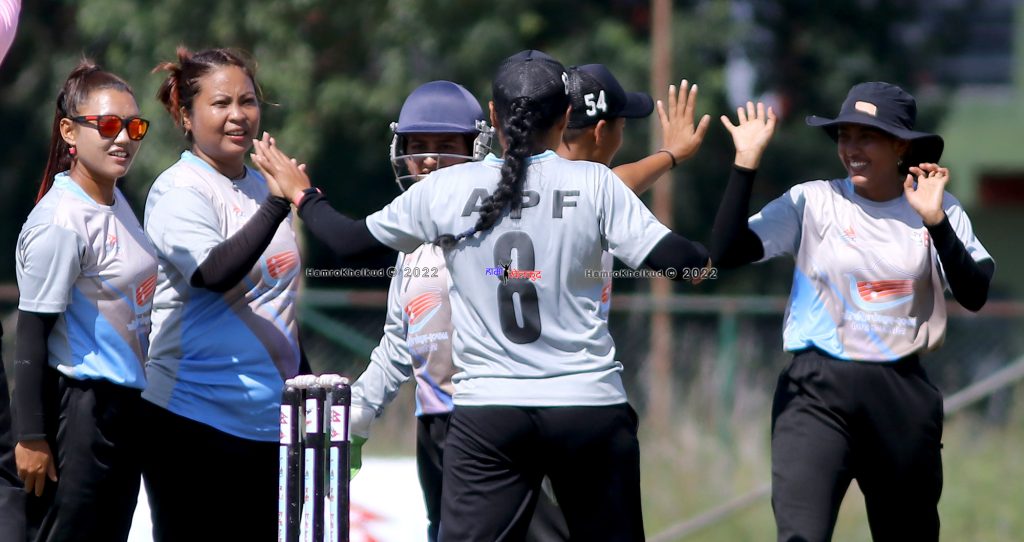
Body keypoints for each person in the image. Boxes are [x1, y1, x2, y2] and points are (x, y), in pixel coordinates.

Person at [252, 49, 711, 541]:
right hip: (587, 406)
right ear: (564, 117)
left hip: (489, 413)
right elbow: (684, 264)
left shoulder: (445, 188)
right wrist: (710, 255)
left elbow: (346, 242)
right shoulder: (597, 183)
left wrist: (303, 195)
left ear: (494, 116)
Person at [712, 83, 995, 542]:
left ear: (901, 145)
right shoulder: (813, 201)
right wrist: (745, 163)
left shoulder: (938, 207)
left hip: (901, 394)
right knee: (800, 536)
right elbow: (725, 251)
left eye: (868, 137)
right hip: (816, 391)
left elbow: (975, 293)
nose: (851, 149)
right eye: (845, 136)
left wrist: (936, 222)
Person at [141, 46, 303, 541]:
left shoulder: (261, 187)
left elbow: (278, 306)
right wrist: (278, 203)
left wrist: (305, 387)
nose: (238, 115)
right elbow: (213, 272)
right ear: (186, 117)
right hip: (192, 420)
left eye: (248, 101)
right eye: (221, 103)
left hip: (272, 427)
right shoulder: (179, 190)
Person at [14, 60, 157, 541]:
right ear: (69, 132)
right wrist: (31, 437)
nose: (124, 139)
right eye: (109, 125)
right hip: (78, 412)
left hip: (123, 409)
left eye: (135, 127)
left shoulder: (116, 200)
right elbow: (31, 334)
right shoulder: (62, 221)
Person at [558, 63, 710, 316]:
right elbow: (685, 264)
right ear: (600, 132)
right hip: (573, 341)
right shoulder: (598, 192)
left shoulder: (510, 180)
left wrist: (671, 154)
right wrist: (703, 258)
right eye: (622, 126)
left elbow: (615, 184)